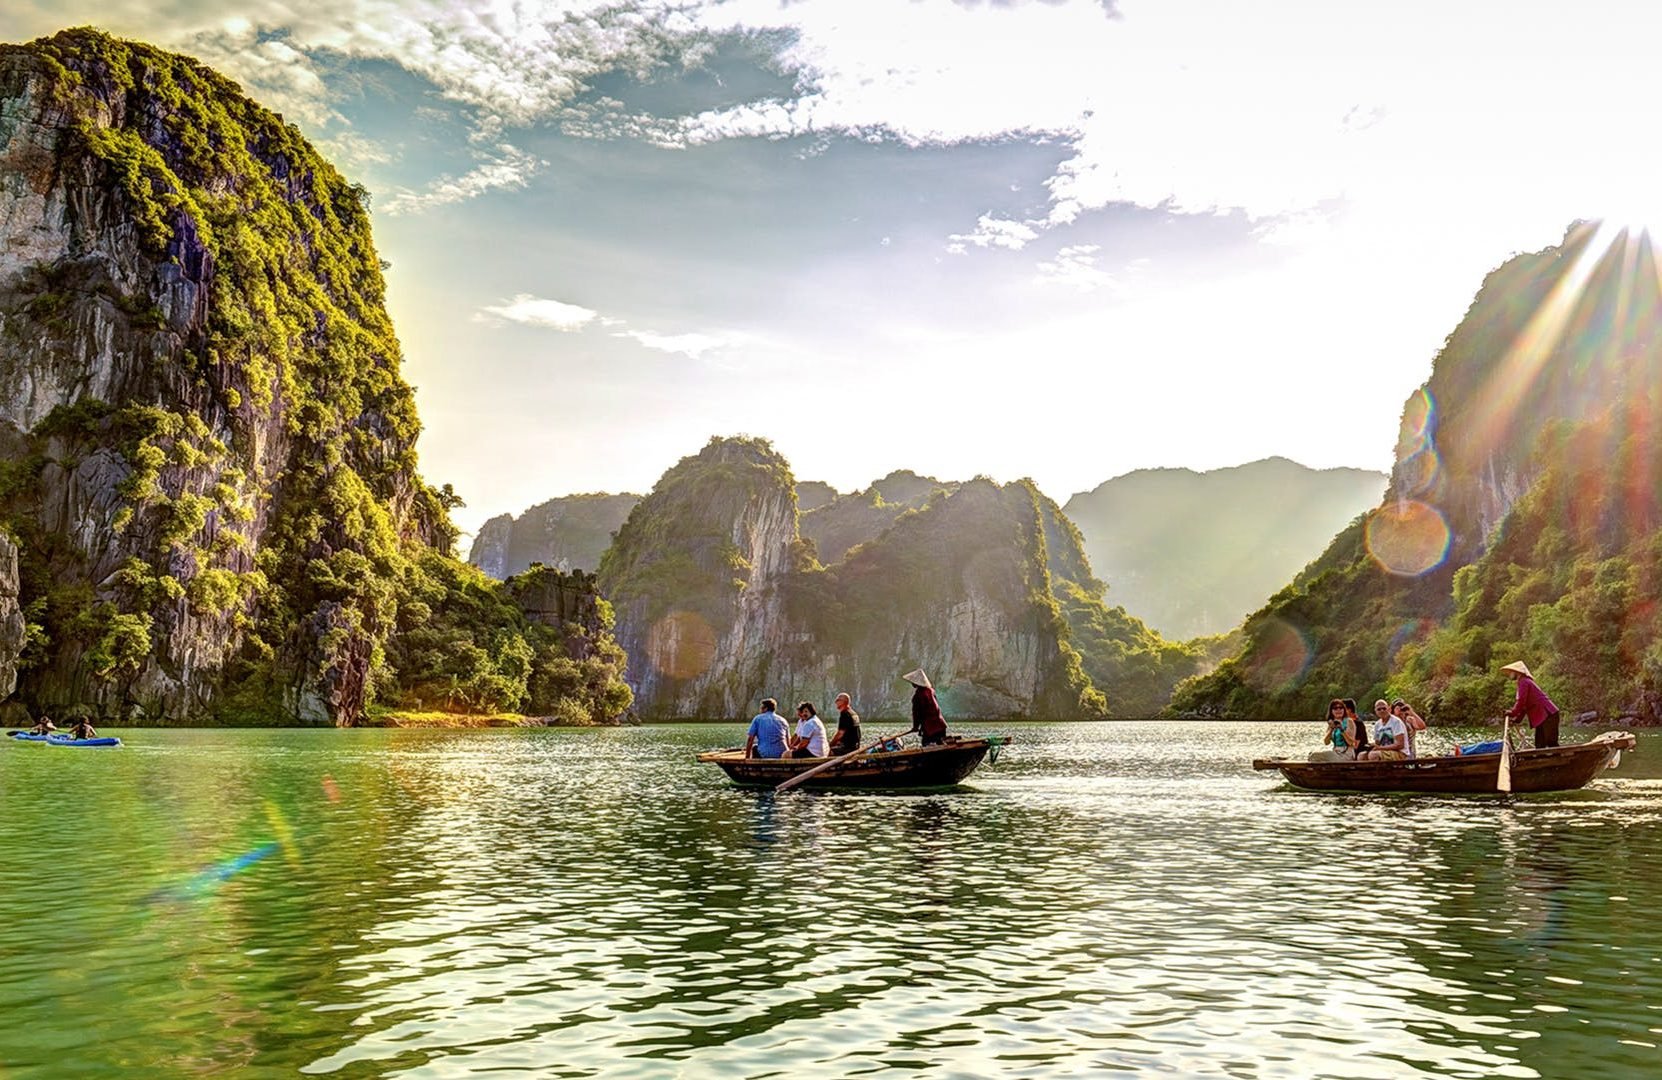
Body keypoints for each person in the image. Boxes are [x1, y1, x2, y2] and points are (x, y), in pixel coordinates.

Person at [1501, 660, 1560, 748]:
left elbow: (1521, 701)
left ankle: (1558, 760)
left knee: (1551, 743)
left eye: (1511, 672)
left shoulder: (1523, 682)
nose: (1509, 674)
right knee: (1539, 745)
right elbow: (1524, 706)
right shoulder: (1524, 681)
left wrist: (1512, 712)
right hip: (1543, 716)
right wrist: (1517, 719)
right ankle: (1542, 760)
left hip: (1548, 714)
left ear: (1517, 672)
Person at [902, 669, 947, 746]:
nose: (912, 683)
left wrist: (915, 727)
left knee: (927, 745)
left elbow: (916, 713)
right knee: (940, 745)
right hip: (941, 725)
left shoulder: (918, 696)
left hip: (930, 728)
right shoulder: (931, 691)